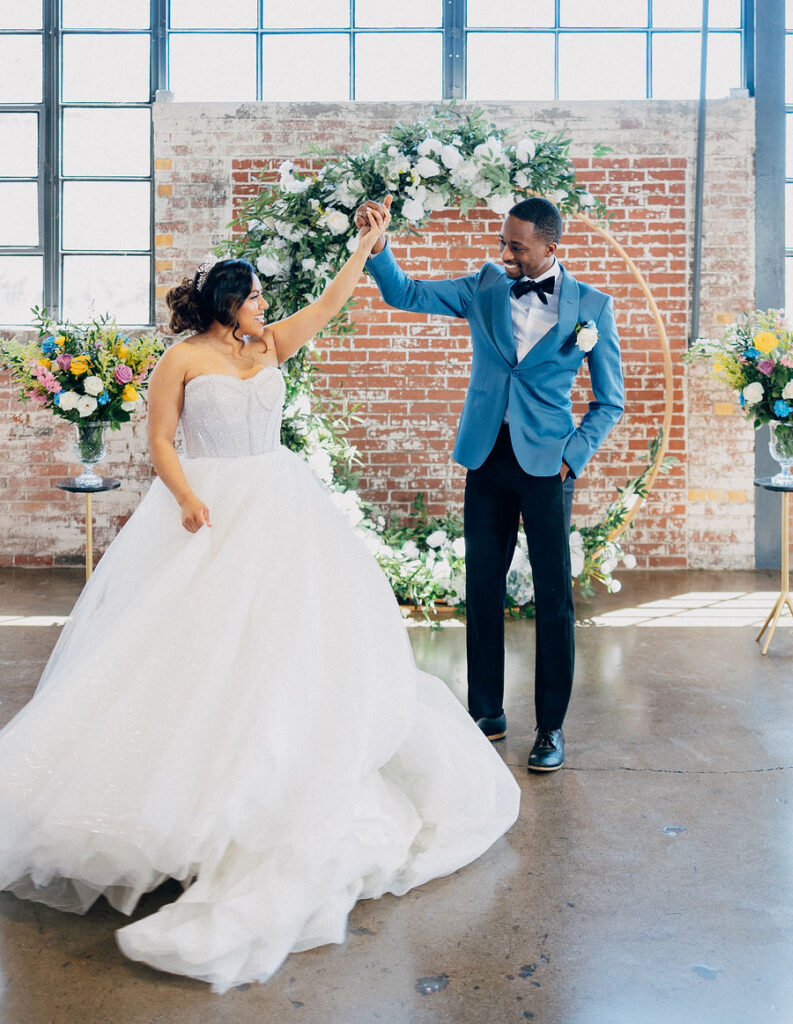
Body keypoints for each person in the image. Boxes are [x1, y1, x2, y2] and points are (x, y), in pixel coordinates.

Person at [0, 206, 519, 993]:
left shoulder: (272, 345)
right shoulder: (180, 358)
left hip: (280, 506)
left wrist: (364, 247)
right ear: (225, 304)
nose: (265, 310)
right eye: (253, 301)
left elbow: (337, 301)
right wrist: (183, 499)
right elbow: (163, 440)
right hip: (206, 509)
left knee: (289, 643)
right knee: (184, 649)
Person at [356, 194, 624, 773]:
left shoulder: (594, 309)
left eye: (517, 246)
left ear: (552, 246)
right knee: (481, 588)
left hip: (548, 466)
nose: (504, 253)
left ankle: (550, 728)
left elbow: (610, 400)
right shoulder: (484, 286)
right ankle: (486, 713)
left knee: (554, 600)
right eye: (502, 242)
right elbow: (406, 293)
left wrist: (571, 457)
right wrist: (379, 244)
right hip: (486, 458)